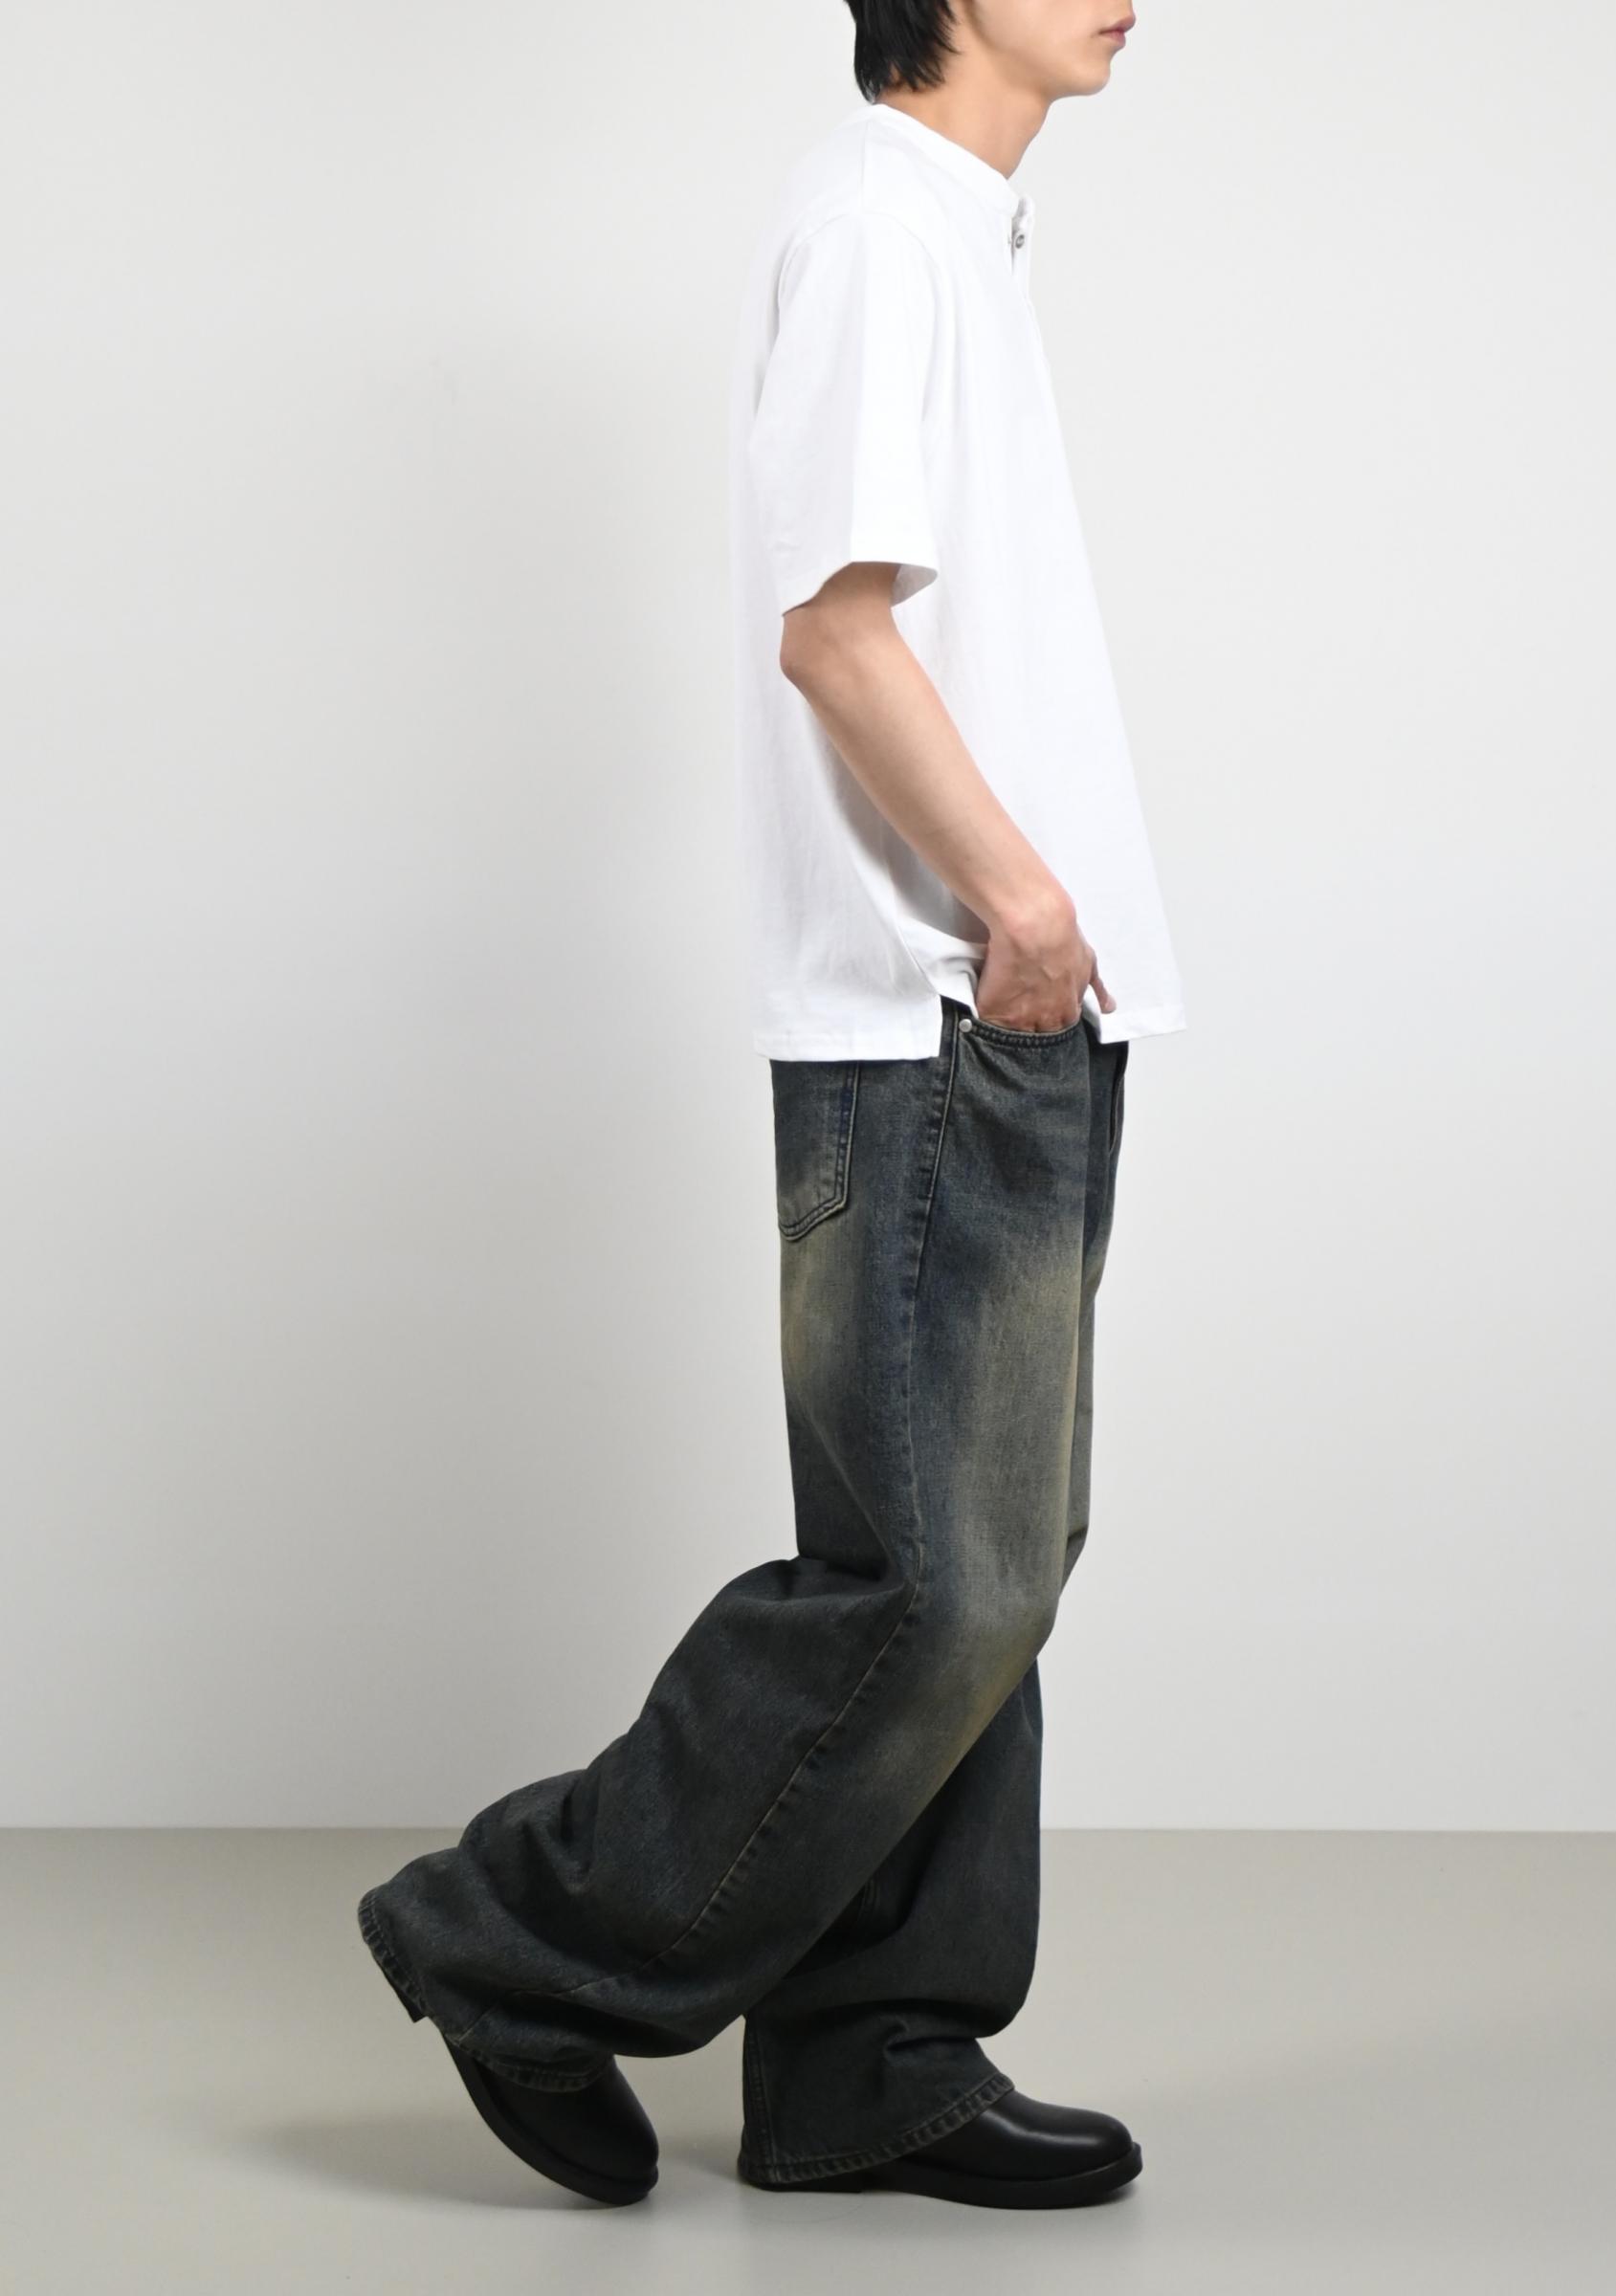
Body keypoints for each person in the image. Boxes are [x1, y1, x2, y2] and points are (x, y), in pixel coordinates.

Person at [357, 0, 1182, 2213]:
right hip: (941, 1004)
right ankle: (512, 1942)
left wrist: (1045, 943)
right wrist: (1015, 906)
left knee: (983, 1574)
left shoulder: (950, 229)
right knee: (939, 1581)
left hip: (1000, 1004)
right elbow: (838, 633)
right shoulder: (884, 229)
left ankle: (868, 2058)